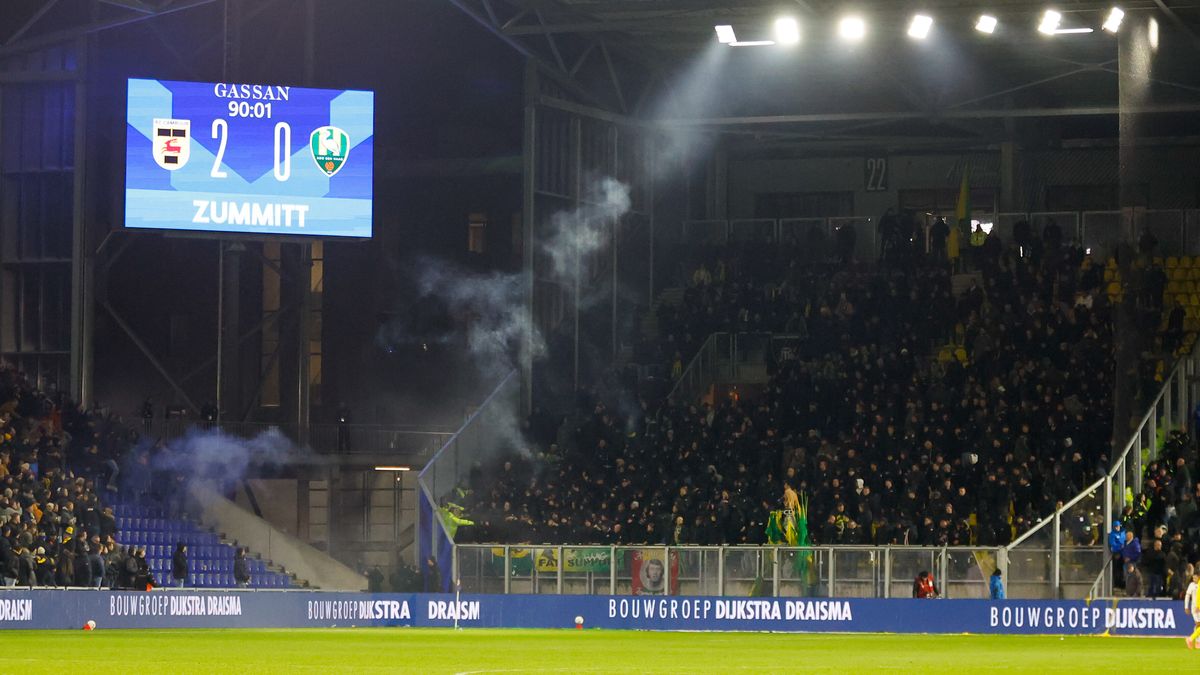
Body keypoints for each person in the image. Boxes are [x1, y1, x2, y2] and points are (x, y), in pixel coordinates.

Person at [1186, 570, 1200, 649]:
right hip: (1196, 608)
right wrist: (1186, 606)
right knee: (1198, 625)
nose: (1194, 579)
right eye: (1193, 578)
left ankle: (1191, 639)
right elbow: (1197, 596)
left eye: (1195, 578)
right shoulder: (1193, 585)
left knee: (1198, 625)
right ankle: (1194, 640)